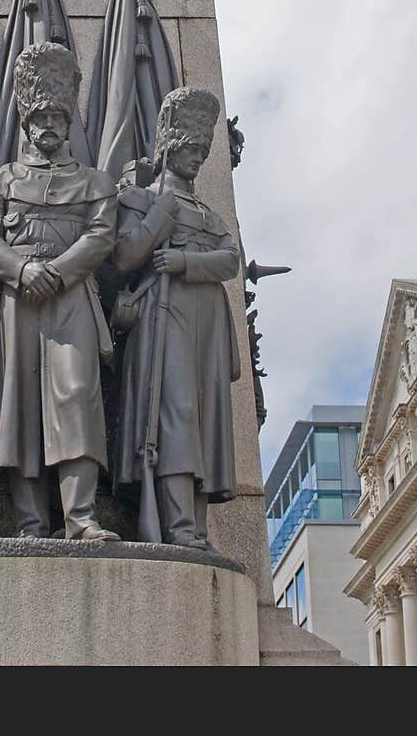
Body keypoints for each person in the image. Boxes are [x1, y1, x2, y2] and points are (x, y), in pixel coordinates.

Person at [0, 42, 119, 540]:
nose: (49, 123)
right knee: (21, 407)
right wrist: (19, 269)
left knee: (76, 394)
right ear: (25, 120)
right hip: (15, 300)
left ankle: (80, 519)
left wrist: (56, 270)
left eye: (58, 114)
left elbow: (101, 236)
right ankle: (31, 523)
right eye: (40, 115)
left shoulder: (95, 182)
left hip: (70, 297)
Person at [113, 87, 240, 548]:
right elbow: (125, 256)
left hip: (206, 321)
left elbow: (231, 260)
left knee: (204, 421)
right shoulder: (141, 200)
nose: (196, 160)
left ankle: (197, 527)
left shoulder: (211, 213)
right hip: (164, 318)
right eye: (188, 150)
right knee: (176, 414)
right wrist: (160, 215)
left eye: (202, 152)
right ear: (168, 147)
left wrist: (185, 263)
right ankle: (179, 526)